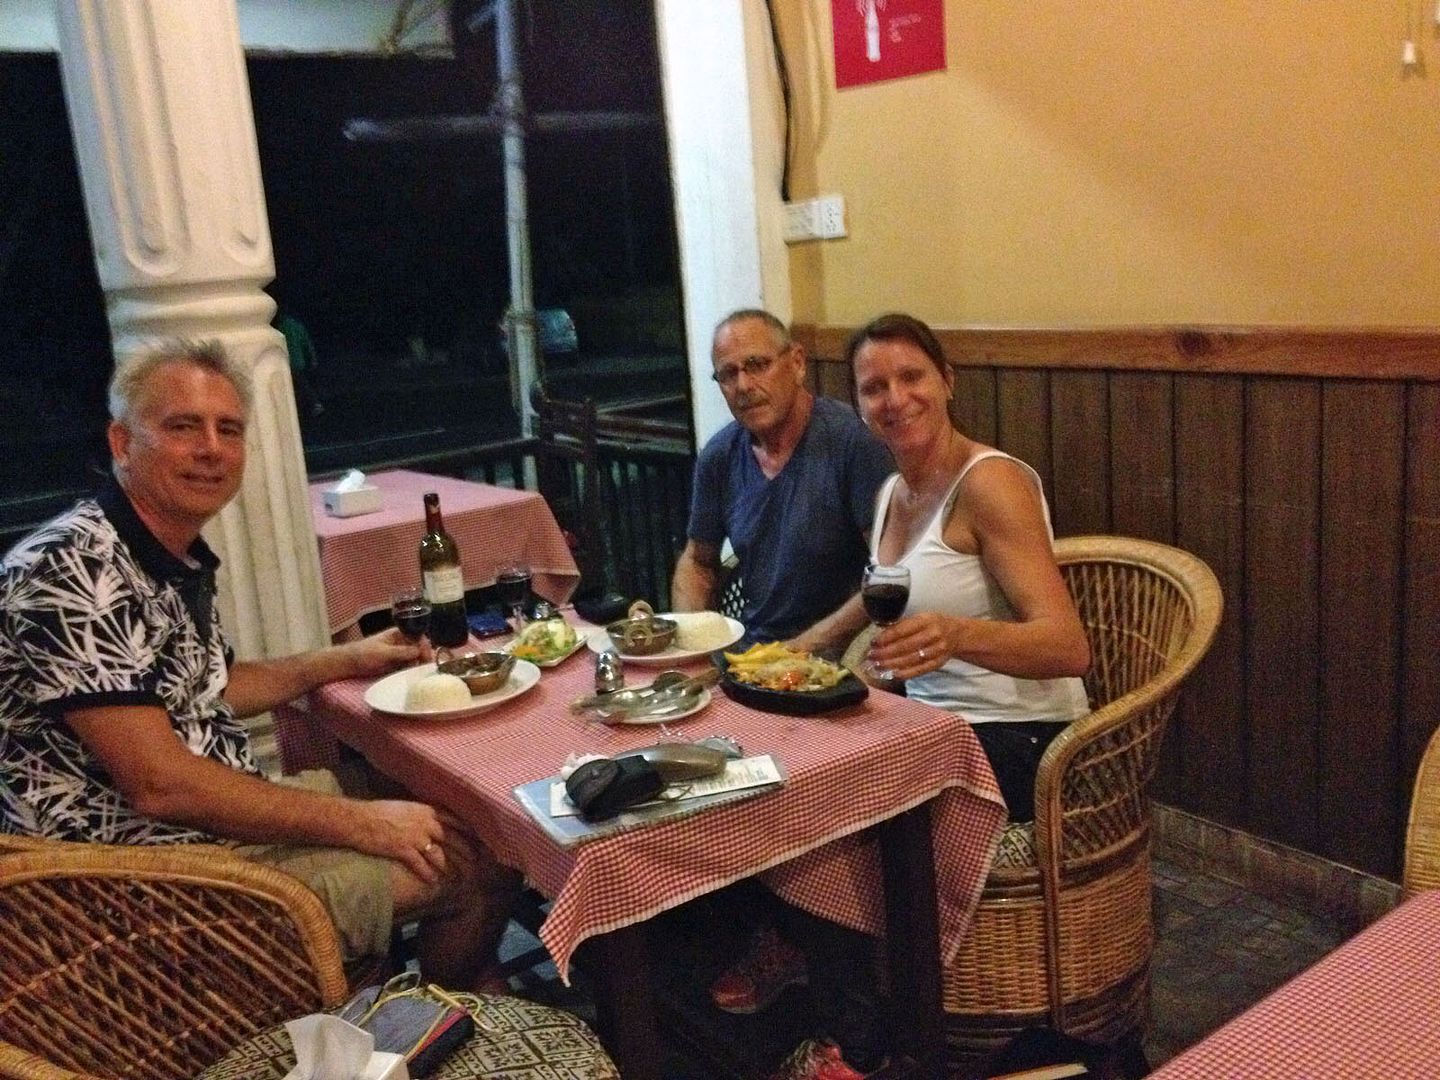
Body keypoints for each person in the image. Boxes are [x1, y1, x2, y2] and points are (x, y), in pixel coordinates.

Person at [0, 340, 518, 989]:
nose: (211, 448)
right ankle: (441, 1013)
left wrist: (345, 657)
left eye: (229, 429)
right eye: (183, 426)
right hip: (137, 890)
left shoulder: (162, 552)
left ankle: (429, 996)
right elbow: (161, 785)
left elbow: (211, 687)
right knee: (475, 865)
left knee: (475, 817)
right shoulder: (70, 571)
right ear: (122, 442)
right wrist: (363, 825)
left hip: (203, 833)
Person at [853, 312, 1091, 818]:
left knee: (857, 803)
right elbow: (897, 642)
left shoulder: (990, 483)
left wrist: (955, 636)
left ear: (947, 381)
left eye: (912, 377)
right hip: (930, 725)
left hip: (1023, 739)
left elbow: (1069, 648)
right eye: (874, 388)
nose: (895, 399)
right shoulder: (890, 493)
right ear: (859, 405)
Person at [672, 309, 893, 646]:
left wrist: (800, 649)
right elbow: (698, 561)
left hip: (845, 652)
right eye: (728, 374)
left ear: (797, 363)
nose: (743, 385)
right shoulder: (719, 455)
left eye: (757, 365)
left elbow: (889, 571)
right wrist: (689, 639)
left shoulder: (853, 442)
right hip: (753, 651)